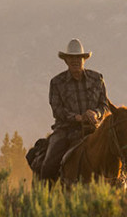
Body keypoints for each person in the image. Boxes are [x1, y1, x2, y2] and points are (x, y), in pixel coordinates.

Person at [40, 39, 110, 183]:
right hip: (65, 130)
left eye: (78, 57)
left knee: (119, 151)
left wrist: (96, 113)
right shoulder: (57, 82)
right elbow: (57, 109)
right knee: (49, 164)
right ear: (66, 60)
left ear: (84, 59)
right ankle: (45, 195)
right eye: (71, 58)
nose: (75, 61)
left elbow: (105, 105)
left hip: (94, 129)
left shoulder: (97, 79)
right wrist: (77, 118)